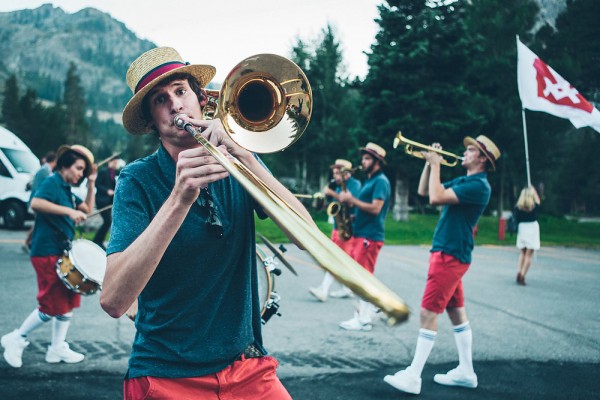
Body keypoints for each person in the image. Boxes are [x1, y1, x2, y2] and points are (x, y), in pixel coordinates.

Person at [99, 47, 313, 399]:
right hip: (166, 374)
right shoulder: (136, 180)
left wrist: (247, 159)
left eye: (181, 91)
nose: (175, 105)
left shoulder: (240, 163)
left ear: (201, 99)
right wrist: (180, 197)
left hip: (246, 365)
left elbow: (306, 236)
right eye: (160, 99)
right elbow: (113, 300)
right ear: (151, 121)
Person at [384, 135, 500, 395]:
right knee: (456, 313)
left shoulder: (479, 186)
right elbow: (426, 191)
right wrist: (428, 163)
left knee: (427, 313)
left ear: (482, 159)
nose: (464, 153)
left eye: (470, 150)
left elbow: (436, 198)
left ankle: (414, 376)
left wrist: (436, 164)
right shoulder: (466, 180)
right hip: (449, 252)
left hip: (450, 255)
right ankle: (466, 372)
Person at [2, 144, 96, 368]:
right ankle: (16, 338)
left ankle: (56, 348)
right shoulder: (52, 182)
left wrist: (91, 184)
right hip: (46, 251)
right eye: (78, 168)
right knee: (50, 304)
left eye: (83, 170)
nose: (80, 174)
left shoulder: (67, 189)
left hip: (60, 252)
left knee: (69, 301)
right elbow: (35, 203)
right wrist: (69, 212)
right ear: (64, 166)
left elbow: (88, 210)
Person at [337, 143, 391, 331]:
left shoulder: (381, 181)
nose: (363, 161)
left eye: (367, 158)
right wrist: (352, 215)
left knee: (363, 278)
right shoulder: (369, 181)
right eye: (363, 158)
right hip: (361, 232)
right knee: (361, 276)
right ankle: (366, 312)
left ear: (377, 162)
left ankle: (363, 319)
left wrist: (352, 200)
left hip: (371, 234)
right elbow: (365, 207)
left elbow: (376, 208)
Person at [309, 159, 362, 302]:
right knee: (343, 260)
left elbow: (350, 202)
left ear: (346, 174)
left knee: (334, 258)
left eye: (338, 173)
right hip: (337, 227)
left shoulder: (355, 185)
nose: (336, 177)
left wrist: (331, 192)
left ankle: (323, 290)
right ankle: (347, 289)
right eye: (334, 173)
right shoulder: (338, 186)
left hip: (347, 228)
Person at [23, 151, 58, 252]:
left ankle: (29, 242)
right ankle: (29, 242)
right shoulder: (45, 171)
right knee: (39, 222)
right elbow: (40, 187)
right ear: (54, 161)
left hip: (37, 200)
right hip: (37, 201)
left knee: (38, 222)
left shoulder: (45, 169)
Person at [514, 186, 541, 285]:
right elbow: (538, 201)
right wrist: (533, 190)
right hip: (532, 228)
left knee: (523, 253)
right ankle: (522, 274)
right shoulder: (533, 207)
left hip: (522, 229)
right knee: (529, 254)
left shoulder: (518, 207)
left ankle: (519, 271)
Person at [92, 157, 120, 249]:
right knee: (108, 221)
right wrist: (107, 191)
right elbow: (97, 184)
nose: (116, 164)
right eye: (114, 162)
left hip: (108, 202)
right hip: (101, 200)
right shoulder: (103, 172)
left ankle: (98, 240)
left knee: (108, 221)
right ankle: (97, 240)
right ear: (109, 162)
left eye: (117, 163)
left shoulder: (113, 174)